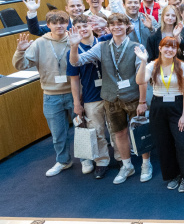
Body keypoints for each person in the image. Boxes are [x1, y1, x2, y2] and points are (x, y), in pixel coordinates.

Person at [69, 13, 152, 185]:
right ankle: (127, 166)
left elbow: (142, 78)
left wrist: (143, 102)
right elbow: (77, 62)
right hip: (111, 98)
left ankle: (146, 164)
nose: (116, 27)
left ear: (126, 26)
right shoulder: (102, 47)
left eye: (120, 24)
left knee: (140, 132)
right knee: (119, 133)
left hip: (134, 97)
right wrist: (74, 47)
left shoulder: (138, 47)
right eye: (112, 24)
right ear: (109, 27)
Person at [13, 11, 75, 177]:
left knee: (83, 128)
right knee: (58, 133)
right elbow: (21, 65)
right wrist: (20, 51)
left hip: (74, 93)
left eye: (63, 22)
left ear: (67, 23)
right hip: (51, 96)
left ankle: (87, 159)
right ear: (48, 25)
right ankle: (63, 161)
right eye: (55, 23)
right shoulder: (40, 43)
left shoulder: (74, 39)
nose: (59, 26)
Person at [135, 37, 184, 192]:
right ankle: (173, 175)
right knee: (164, 145)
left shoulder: (181, 65)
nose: (170, 50)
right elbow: (140, 80)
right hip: (158, 107)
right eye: (166, 47)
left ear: (176, 50)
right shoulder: (152, 65)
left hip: (177, 106)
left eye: (173, 47)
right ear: (160, 48)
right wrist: (143, 61)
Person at [66, 15, 118, 178]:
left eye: (85, 25)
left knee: (117, 128)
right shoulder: (72, 51)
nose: (83, 29)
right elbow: (74, 80)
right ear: (74, 30)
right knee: (97, 131)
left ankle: (121, 156)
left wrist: (106, 23)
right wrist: (76, 103)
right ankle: (102, 161)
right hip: (90, 97)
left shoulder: (105, 41)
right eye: (78, 27)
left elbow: (127, 29)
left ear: (91, 26)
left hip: (111, 94)